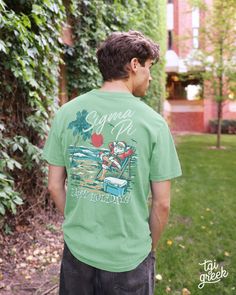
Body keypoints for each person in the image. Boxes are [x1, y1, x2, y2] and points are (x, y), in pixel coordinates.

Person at [43, 30, 182, 295]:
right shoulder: (153, 124)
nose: (151, 76)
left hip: (77, 252)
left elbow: (54, 186)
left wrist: (77, 220)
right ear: (134, 65)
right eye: (149, 67)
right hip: (128, 258)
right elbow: (162, 204)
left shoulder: (66, 113)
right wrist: (147, 249)